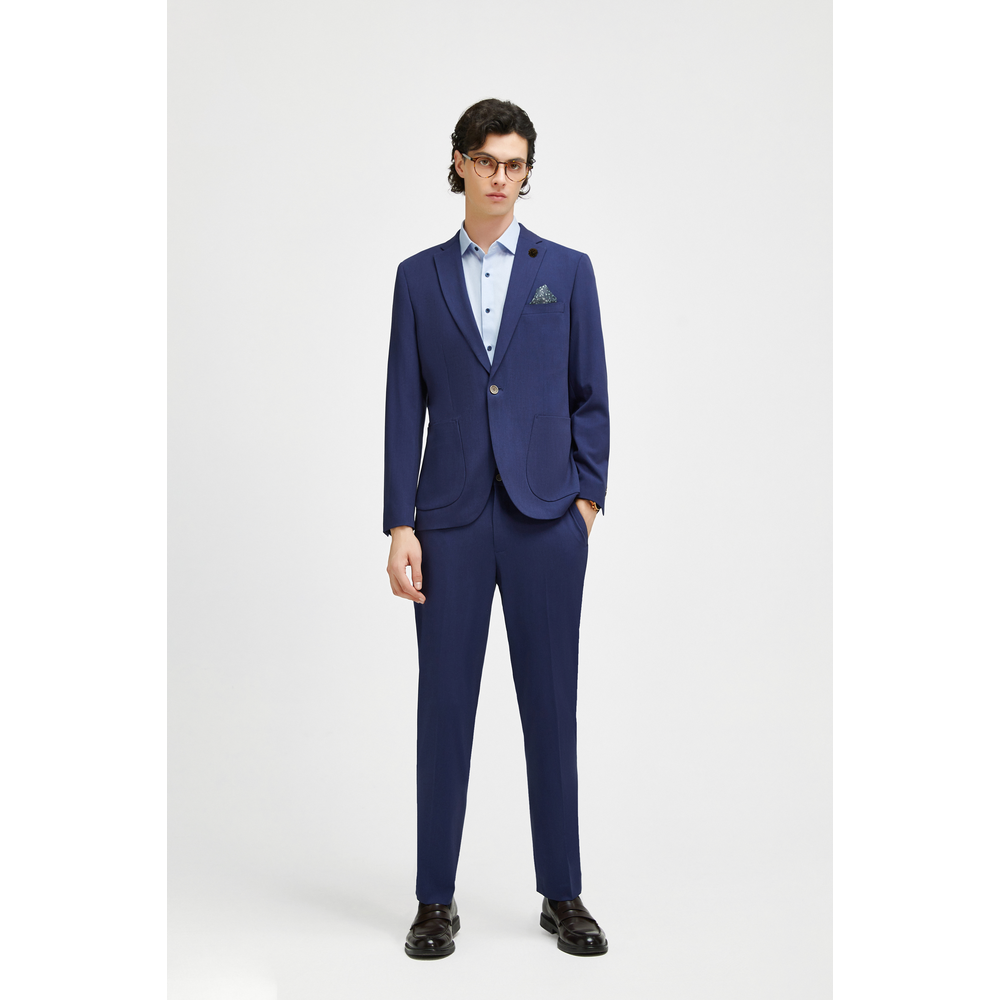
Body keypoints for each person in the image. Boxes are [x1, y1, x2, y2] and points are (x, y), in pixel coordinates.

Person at [383, 98, 610, 959]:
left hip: (547, 519)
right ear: (460, 163)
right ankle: (433, 901)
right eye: (487, 162)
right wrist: (399, 523)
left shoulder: (569, 272)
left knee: (552, 708)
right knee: (444, 709)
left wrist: (585, 505)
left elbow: (591, 395)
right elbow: (403, 405)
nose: (501, 178)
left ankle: (563, 893)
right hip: (446, 522)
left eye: (515, 165)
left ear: (527, 172)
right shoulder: (417, 278)